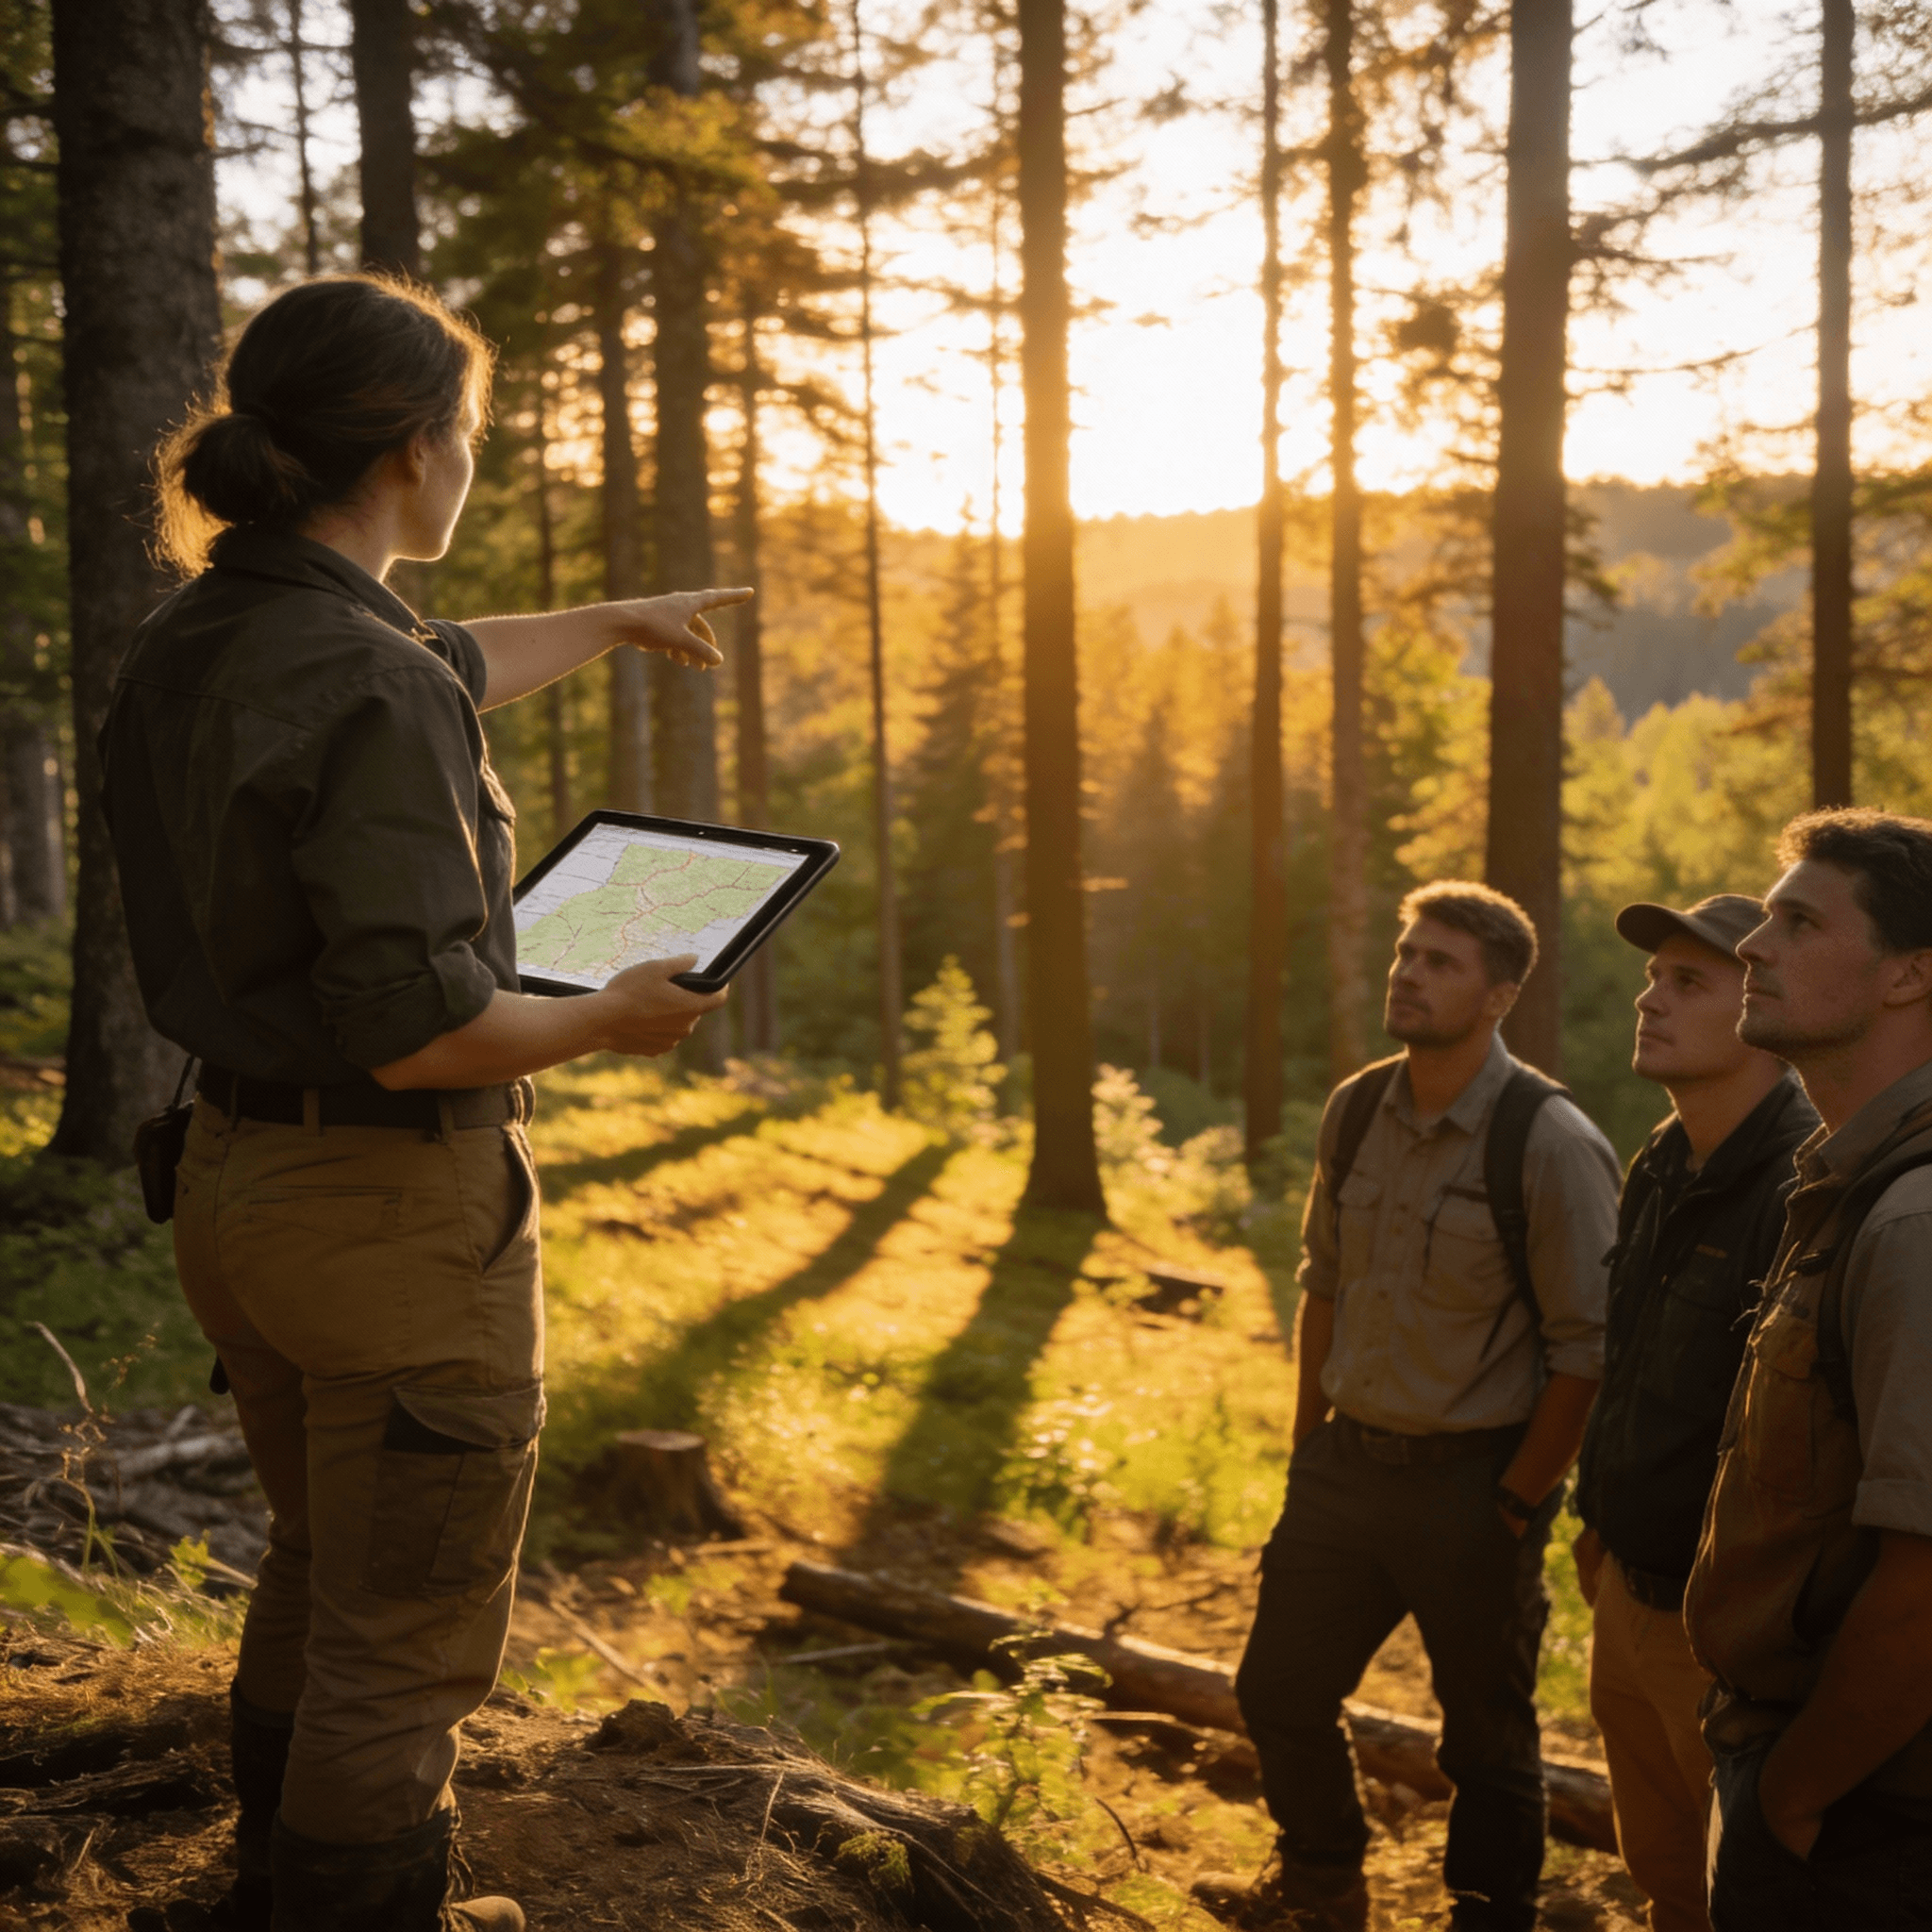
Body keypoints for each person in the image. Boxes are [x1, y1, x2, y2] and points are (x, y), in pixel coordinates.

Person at [101, 275, 747, 1932]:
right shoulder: (369, 682)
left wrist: (612, 618)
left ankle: (263, 1880)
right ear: (411, 448)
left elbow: (435, 662)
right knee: (406, 1632)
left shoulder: (208, 636)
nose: (476, 460)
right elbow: (409, 1030)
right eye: (470, 432)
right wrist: (605, 1014)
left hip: (237, 1185)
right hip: (385, 1212)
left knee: (327, 1557)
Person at [1202, 882, 1619, 1932]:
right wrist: (1308, 1445)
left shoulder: (1548, 1138)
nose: (1409, 972)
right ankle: (1323, 1888)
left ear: (1498, 994)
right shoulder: (1354, 1107)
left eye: (1440, 960)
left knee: (1483, 1742)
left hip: (1473, 1485)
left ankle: (1488, 1915)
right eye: (1405, 952)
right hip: (1342, 1469)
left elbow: (1588, 1345)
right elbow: (1322, 1284)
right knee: (1278, 1690)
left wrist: (1519, 1498)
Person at [1688, 808, 1932, 1931]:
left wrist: (1789, 1801)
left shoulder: (1911, 1217)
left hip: (1865, 1820)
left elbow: (1922, 1587)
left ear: (1905, 975)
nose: (1749, 943)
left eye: (1795, 920)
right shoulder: (1849, 1175)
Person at [1570, 895, 1816, 1932]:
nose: (1647, 997)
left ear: (1756, 1004)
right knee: (1663, 1875)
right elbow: (1626, 1357)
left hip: (1716, 1631)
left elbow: (1792, 1442)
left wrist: (1725, 1619)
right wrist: (1593, 1523)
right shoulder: (1660, 1160)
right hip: (1623, 1592)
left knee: (1739, 1896)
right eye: (1651, 976)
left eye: (1686, 982)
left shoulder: (1805, 1180)